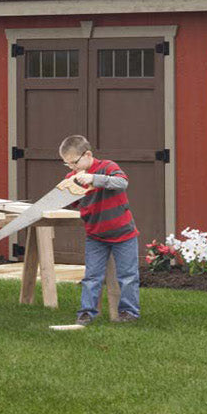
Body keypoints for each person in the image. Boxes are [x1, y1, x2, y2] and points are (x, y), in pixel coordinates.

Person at [58, 134, 140, 324]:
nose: (71, 168)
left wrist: (93, 179)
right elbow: (73, 202)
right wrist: (66, 193)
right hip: (95, 235)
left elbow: (122, 183)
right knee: (92, 277)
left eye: (74, 162)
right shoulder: (73, 176)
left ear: (87, 154)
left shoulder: (107, 167)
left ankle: (129, 313)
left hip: (123, 233)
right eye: (67, 164)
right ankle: (86, 313)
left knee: (128, 276)